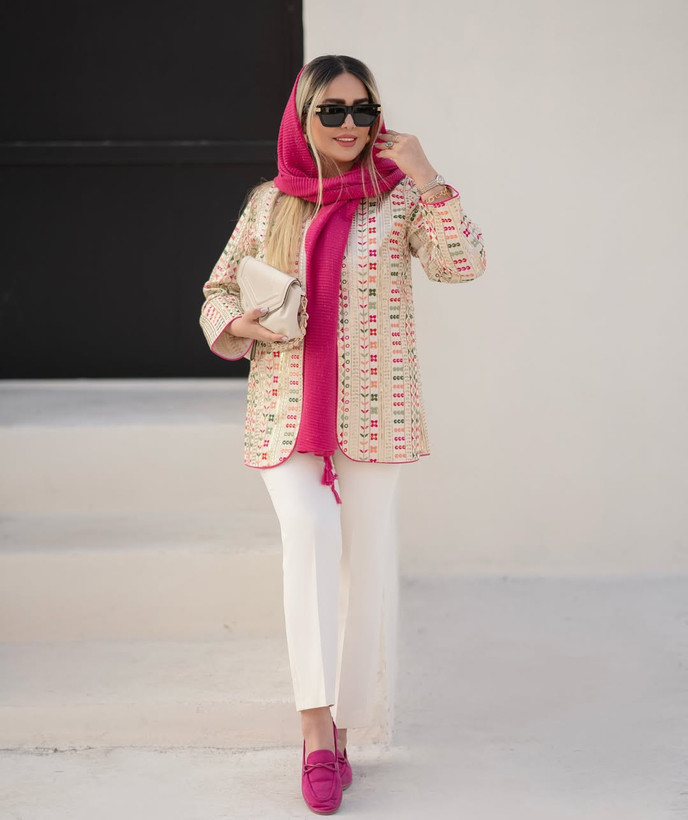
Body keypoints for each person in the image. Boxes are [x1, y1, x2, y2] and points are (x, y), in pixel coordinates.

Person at [199, 54, 486, 815]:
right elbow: (217, 291)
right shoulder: (269, 204)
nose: (351, 124)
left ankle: (347, 724)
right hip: (287, 411)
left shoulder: (399, 199)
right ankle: (314, 729)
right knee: (310, 532)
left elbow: (464, 264)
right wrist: (241, 324)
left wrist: (428, 176)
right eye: (333, 110)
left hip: (374, 415)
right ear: (303, 118)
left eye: (364, 109)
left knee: (364, 566)